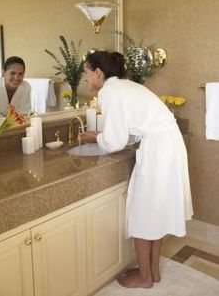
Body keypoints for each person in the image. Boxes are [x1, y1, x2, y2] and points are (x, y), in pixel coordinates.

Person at [82, 51, 193, 289]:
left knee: (144, 212)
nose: (85, 78)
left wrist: (96, 137)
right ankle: (152, 270)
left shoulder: (109, 92)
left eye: (86, 72)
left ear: (98, 72)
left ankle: (144, 278)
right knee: (156, 210)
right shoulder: (125, 86)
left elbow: (115, 140)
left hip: (159, 151)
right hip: (169, 145)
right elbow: (133, 125)